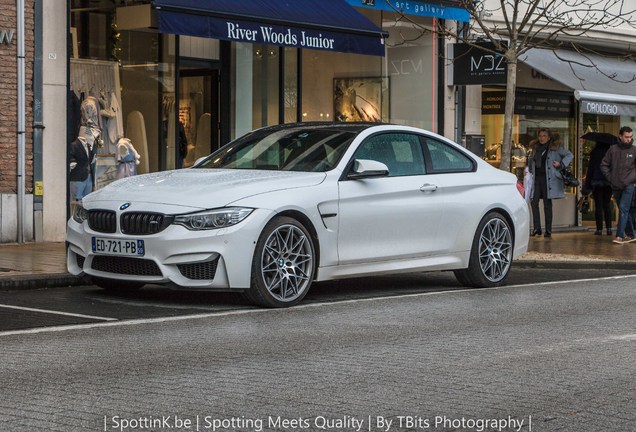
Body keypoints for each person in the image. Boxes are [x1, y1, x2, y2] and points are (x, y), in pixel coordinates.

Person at [526, 128, 574, 238]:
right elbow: (530, 161)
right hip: (537, 179)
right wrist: (527, 169)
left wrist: (561, 164)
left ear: (549, 137)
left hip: (549, 179)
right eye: (540, 136)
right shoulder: (535, 148)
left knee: (547, 204)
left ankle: (548, 230)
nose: (542, 138)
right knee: (534, 202)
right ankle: (537, 228)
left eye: (544, 136)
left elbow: (570, 155)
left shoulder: (555, 148)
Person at [600, 126, 636, 244]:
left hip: (629, 185)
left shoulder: (634, 150)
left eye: (630, 137)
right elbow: (604, 165)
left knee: (623, 209)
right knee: (624, 209)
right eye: (626, 137)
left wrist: (630, 179)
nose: (629, 139)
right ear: (620, 136)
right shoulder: (612, 149)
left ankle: (620, 236)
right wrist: (611, 178)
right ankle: (631, 235)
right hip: (615, 185)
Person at [582, 138, 614, 235]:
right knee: (607, 205)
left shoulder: (594, 153)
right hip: (609, 182)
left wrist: (587, 185)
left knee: (598, 206)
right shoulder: (612, 153)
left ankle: (599, 229)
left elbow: (590, 170)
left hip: (596, 182)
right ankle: (609, 228)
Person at [69, 126, 99, 201]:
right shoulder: (74, 145)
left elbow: (90, 160)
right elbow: (70, 156)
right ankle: (76, 213)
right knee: (76, 199)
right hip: (78, 177)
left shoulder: (88, 146)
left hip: (88, 176)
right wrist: (72, 161)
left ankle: (84, 212)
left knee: (87, 199)